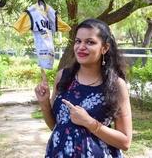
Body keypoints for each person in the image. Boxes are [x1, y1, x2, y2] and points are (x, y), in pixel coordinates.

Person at [35, 18, 132, 157]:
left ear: (104, 48)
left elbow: (125, 142)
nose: (81, 47)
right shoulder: (63, 77)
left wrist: (90, 123)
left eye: (90, 42)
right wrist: (44, 103)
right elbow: (56, 126)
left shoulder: (116, 85)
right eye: (78, 41)